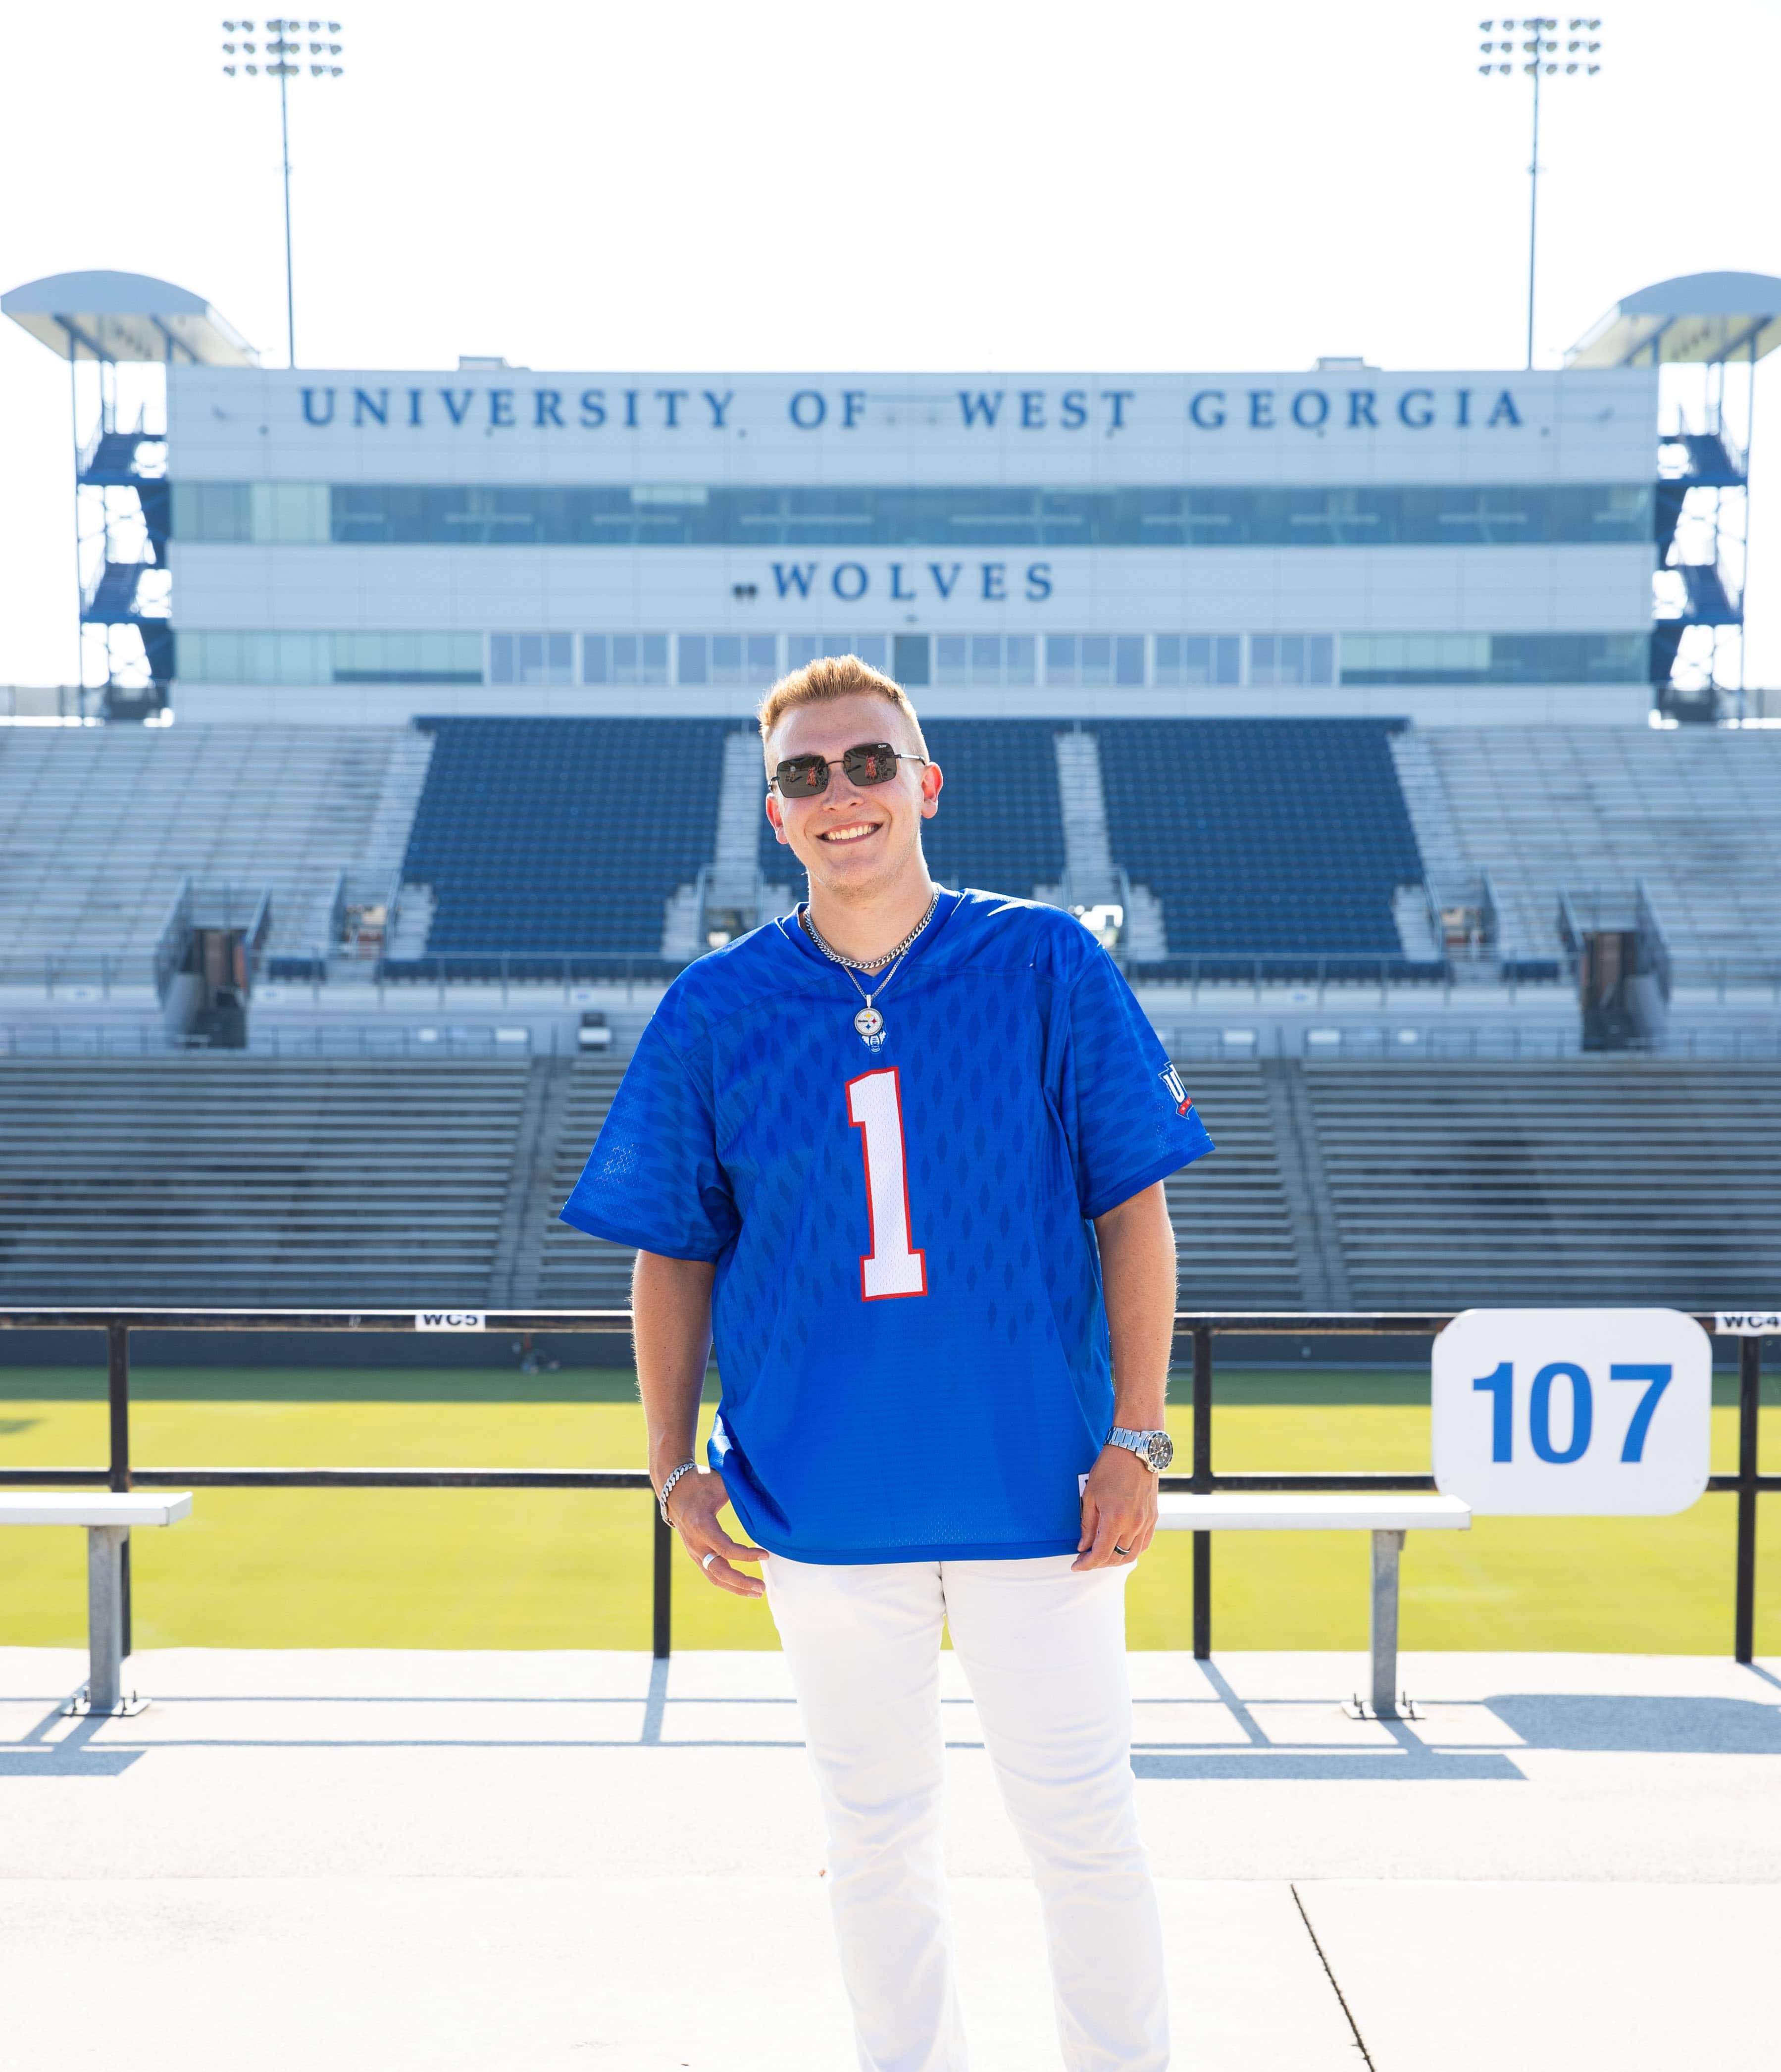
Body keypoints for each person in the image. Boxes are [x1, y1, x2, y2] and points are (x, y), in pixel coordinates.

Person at [561, 656, 1213, 2071]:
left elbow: (1135, 1207)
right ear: (776, 814)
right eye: (805, 774)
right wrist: (671, 1463)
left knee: (1083, 1824)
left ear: (925, 782)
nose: (840, 793)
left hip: (1040, 1486)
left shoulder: (1044, 959)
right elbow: (669, 1252)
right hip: (823, 1495)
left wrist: (1140, 1435)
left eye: (868, 763)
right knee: (872, 1840)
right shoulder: (719, 1008)